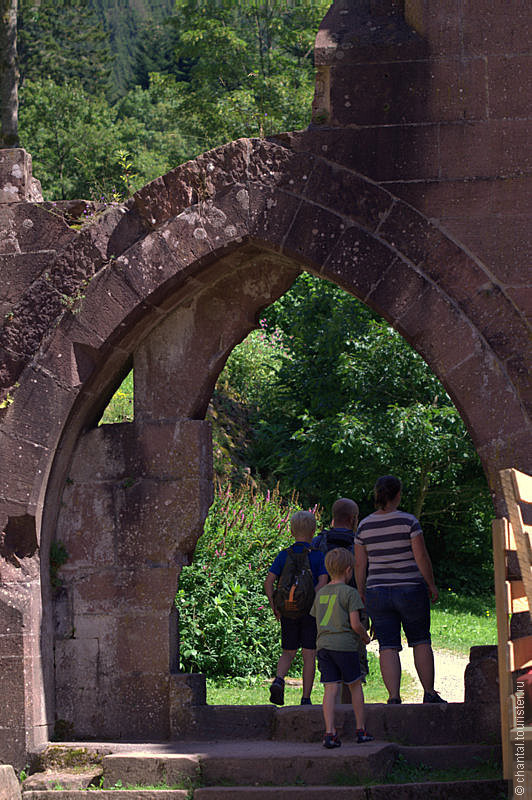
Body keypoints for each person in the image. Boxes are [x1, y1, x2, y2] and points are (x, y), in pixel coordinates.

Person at [355, 474, 445, 705]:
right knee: (421, 640)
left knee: (387, 645)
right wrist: (431, 584)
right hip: (410, 588)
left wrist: (362, 591)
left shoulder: (364, 526)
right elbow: (421, 556)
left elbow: (359, 564)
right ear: (398, 494)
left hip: (377, 590)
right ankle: (429, 693)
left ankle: (394, 697)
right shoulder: (408, 522)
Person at [311, 547, 373, 748]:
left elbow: (317, 620)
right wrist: (365, 637)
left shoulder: (320, 593)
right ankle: (361, 729)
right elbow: (355, 624)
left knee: (330, 688)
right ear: (349, 570)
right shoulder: (350, 593)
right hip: (345, 646)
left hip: (324, 646)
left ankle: (329, 732)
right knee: (355, 685)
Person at [264, 510, 328, 706]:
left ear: (291, 531)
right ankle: (306, 698)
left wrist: (275, 605)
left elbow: (269, 582)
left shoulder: (284, 555)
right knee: (309, 654)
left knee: (288, 651)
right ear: (313, 531)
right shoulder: (318, 556)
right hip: (310, 613)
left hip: (288, 611)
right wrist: (311, 599)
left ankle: (279, 679)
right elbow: (323, 582)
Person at [313, 497, 369, 680]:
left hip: (324, 615)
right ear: (353, 519)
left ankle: (333, 707)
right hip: (355, 609)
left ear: (333, 518)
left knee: (331, 677)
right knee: (353, 673)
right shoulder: (361, 544)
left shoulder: (317, 543)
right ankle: (350, 707)